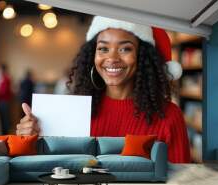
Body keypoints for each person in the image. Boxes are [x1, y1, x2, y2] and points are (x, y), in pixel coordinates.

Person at [15, 16, 190, 163]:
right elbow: (51, 169)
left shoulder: (168, 116)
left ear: (142, 56)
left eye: (125, 48)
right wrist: (29, 142)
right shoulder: (73, 112)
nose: (112, 58)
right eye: (103, 48)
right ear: (93, 55)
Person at [0, 63, 13, 134]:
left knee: (4, 117)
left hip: (4, 101)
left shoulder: (6, 78)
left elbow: (4, 91)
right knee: (3, 117)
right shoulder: (2, 78)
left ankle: (5, 133)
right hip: (2, 100)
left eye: (0, 69)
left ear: (3, 70)